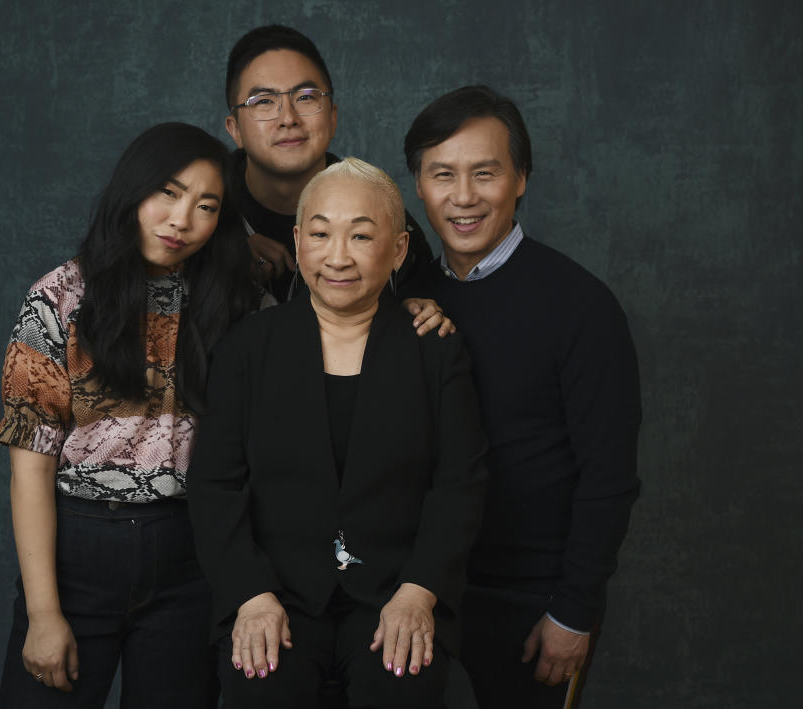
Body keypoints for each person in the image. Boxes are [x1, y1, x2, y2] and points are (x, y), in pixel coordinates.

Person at [188, 158, 488, 709]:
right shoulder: (247, 348)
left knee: (400, 685)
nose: (339, 257)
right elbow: (214, 486)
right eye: (321, 234)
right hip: (276, 594)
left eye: (362, 235)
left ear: (397, 250)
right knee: (263, 690)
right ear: (300, 241)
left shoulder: (435, 349)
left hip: (396, 592)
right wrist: (251, 596)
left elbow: (460, 485)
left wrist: (419, 592)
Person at [0, 122, 259, 708]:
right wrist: (44, 614)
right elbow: (30, 470)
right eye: (167, 192)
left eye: (206, 205)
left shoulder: (231, 302)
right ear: (131, 191)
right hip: (78, 553)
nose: (181, 219)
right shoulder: (59, 298)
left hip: (190, 557)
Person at [402, 85, 642, 708]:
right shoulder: (402, 300)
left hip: (535, 598)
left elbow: (609, 476)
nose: (462, 197)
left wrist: (574, 611)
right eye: (441, 175)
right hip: (421, 588)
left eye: (485, 173)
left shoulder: (580, 305)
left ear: (521, 179)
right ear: (418, 186)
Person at [223, 24, 447, 338]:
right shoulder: (207, 212)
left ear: (332, 117)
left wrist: (416, 309)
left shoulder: (382, 214)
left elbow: (425, 308)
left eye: (306, 97)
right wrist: (225, 253)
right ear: (234, 129)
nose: (288, 118)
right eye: (263, 102)